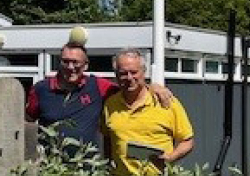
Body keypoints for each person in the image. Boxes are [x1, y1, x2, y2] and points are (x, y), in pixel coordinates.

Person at [26, 41, 172, 153]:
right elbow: (27, 122)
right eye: (66, 61)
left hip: (87, 171)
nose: (70, 67)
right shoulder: (41, 89)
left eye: (75, 62)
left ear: (85, 65)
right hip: (51, 170)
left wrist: (153, 86)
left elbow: (129, 85)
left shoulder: (97, 86)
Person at [101, 49, 194, 176]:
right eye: (123, 73)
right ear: (116, 75)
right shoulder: (110, 104)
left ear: (144, 72)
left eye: (134, 72)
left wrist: (171, 157)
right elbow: (108, 139)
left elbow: (187, 141)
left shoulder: (165, 101)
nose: (129, 78)